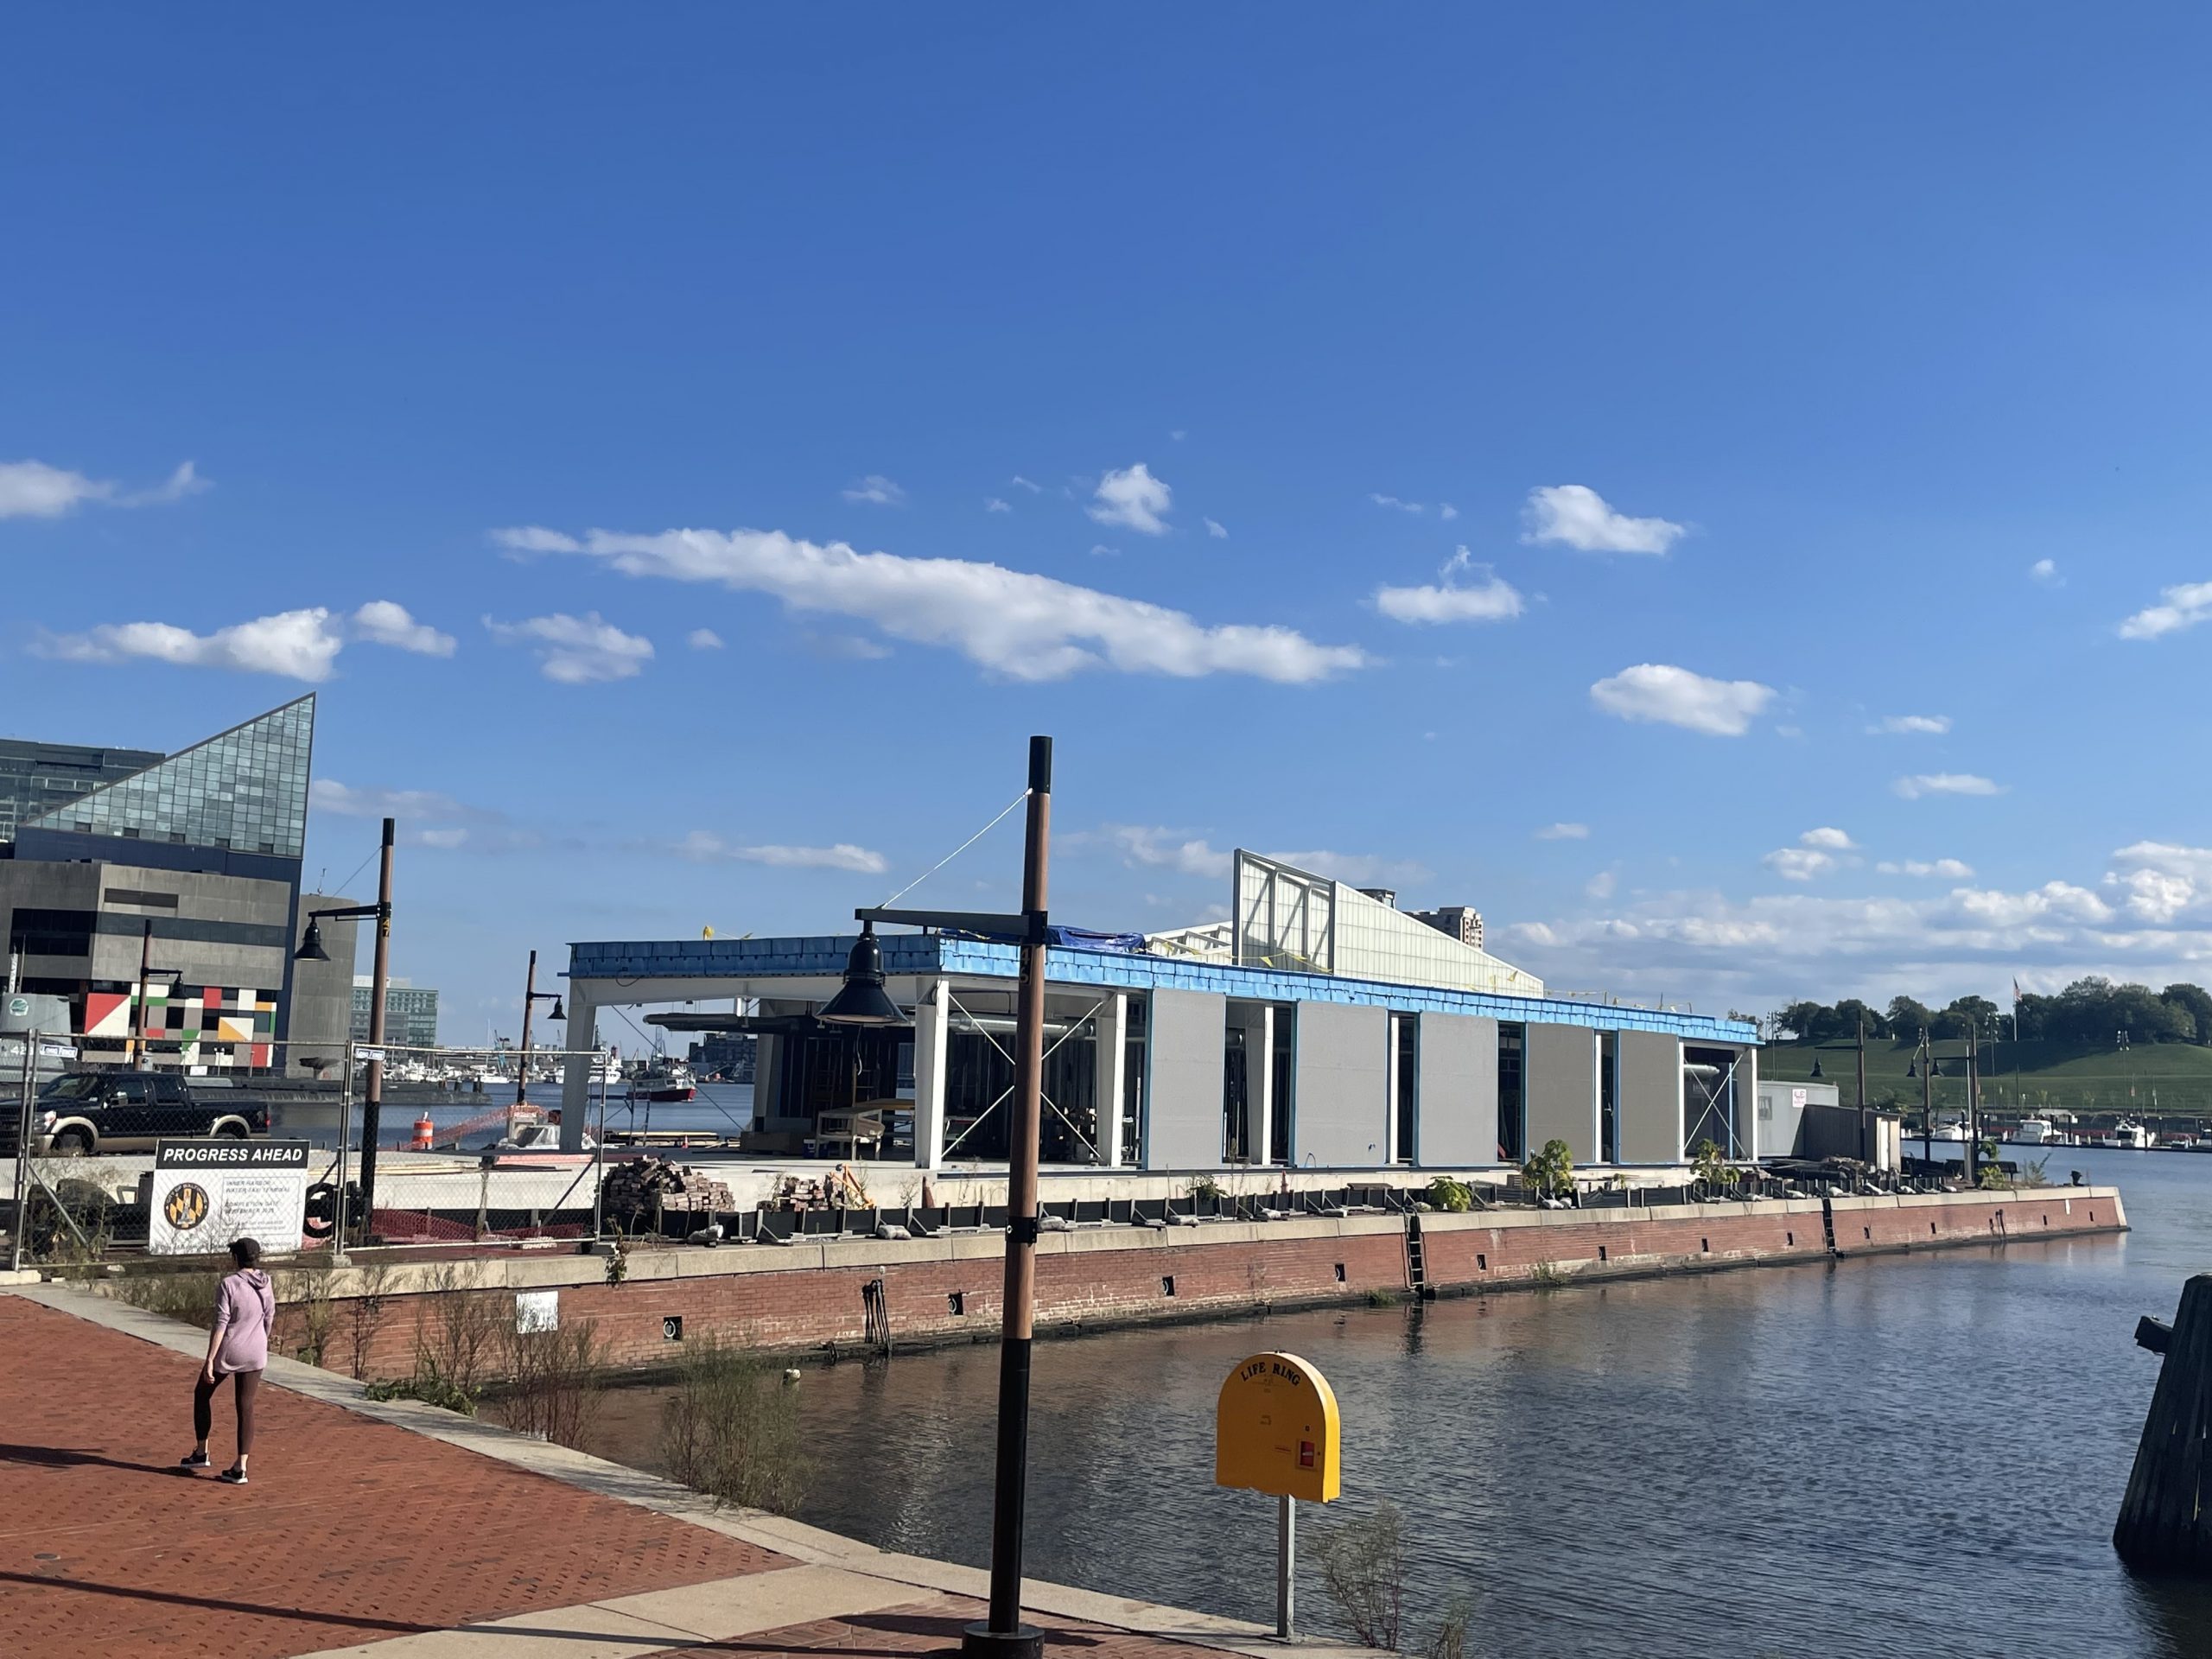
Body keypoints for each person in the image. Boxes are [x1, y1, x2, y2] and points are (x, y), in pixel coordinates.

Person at [181, 1236, 273, 1485]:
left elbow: (221, 1322)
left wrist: (210, 1359)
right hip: (257, 1351)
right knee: (246, 1407)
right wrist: (261, 1340)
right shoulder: (266, 1282)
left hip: (231, 1350)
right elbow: (269, 1317)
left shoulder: (228, 1284)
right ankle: (240, 1467)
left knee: (202, 1393)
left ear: (236, 1258)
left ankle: (201, 1452)